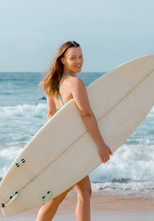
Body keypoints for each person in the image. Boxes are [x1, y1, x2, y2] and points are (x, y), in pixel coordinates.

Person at [37, 41, 112, 221]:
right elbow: (86, 114)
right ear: (62, 60)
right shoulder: (76, 83)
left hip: (64, 145)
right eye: (73, 58)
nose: (79, 61)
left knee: (84, 192)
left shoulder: (52, 84)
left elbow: (50, 116)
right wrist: (101, 145)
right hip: (71, 148)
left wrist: (54, 147)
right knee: (58, 196)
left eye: (80, 57)